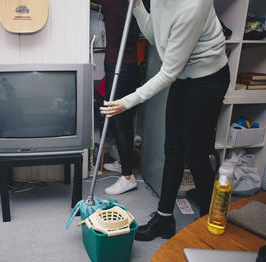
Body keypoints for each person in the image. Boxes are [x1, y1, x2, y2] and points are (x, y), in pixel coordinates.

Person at [100, 0, 230, 241]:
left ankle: (208, 219)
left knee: (196, 153)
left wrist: (127, 101)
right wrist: (138, 6)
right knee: (172, 148)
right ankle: (164, 219)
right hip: (183, 74)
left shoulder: (192, 6)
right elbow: (153, 36)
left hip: (208, 78)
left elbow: (168, 72)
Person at [91, 0, 143, 195]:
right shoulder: (136, 3)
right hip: (131, 67)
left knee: (119, 121)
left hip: (118, 68)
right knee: (125, 118)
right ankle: (124, 162)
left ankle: (128, 177)